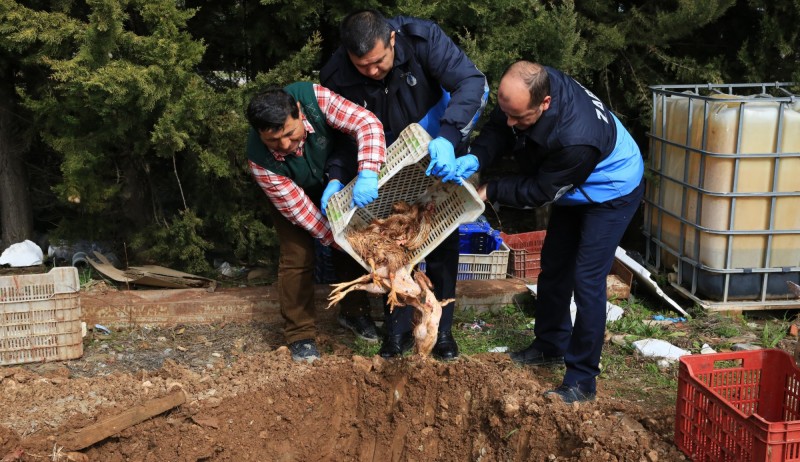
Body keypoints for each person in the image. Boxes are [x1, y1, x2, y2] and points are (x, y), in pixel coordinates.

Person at [464, 60, 644, 403]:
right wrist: (477, 157)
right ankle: (550, 343)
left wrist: (491, 190)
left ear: (544, 103)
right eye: (508, 113)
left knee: (587, 278)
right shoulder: (531, 86)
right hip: (575, 181)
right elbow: (500, 126)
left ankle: (582, 380)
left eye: (521, 118)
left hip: (611, 190)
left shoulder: (577, 138)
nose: (512, 124)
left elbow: (539, 192)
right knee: (554, 264)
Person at [320, 9, 488, 361]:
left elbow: (470, 83)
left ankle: (441, 330)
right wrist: (336, 176)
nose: (372, 71)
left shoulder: (421, 38)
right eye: (362, 65)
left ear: (392, 39)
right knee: (390, 244)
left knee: (440, 237)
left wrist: (449, 134)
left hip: (435, 147)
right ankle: (394, 333)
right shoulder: (336, 74)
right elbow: (342, 138)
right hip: (384, 165)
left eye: (379, 61)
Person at [245, 82, 386, 362]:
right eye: (273, 141)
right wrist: (337, 239)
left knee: (352, 235)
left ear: (298, 112)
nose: (285, 145)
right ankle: (300, 335)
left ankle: (354, 313)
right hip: (292, 193)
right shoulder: (261, 162)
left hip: (333, 177)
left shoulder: (313, 99)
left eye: (289, 133)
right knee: (298, 255)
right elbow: (304, 215)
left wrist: (369, 170)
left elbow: (366, 122)